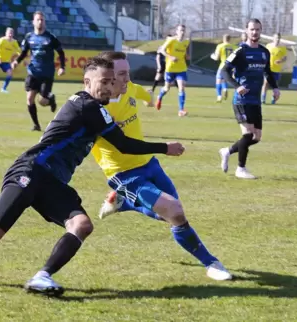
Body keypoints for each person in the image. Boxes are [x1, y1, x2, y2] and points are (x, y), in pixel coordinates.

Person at [0, 57, 186, 296]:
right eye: (103, 82)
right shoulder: (89, 107)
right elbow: (124, 144)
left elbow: (115, 139)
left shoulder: (97, 111)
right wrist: (165, 147)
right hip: (31, 170)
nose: (109, 87)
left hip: (53, 182)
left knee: (81, 225)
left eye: (111, 82)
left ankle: (42, 276)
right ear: (87, 82)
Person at [92, 51, 232, 281]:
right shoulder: (95, 110)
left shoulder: (131, 90)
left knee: (169, 213)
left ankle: (123, 203)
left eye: (128, 73)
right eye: (121, 74)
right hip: (123, 175)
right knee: (174, 211)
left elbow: (142, 94)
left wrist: (152, 100)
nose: (127, 78)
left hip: (149, 163)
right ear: (106, 77)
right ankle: (211, 263)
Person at [218, 19, 280, 179]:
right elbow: (224, 70)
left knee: (256, 137)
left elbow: (268, 72)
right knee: (248, 134)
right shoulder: (240, 51)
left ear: (261, 31)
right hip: (241, 100)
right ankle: (241, 169)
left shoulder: (264, 52)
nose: (255, 32)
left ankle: (228, 151)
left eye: (258, 29)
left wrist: (275, 87)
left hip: (255, 101)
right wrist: (237, 86)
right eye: (252, 29)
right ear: (247, 30)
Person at [12, 11, 66, 131]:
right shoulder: (29, 37)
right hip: (33, 72)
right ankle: (36, 125)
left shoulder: (50, 37)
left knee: (42, 101)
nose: (40, 22)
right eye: (38, 20)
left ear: (44, 22)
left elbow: (61, 52)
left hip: (47, 73)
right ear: (33, 22)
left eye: (42, 20)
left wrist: (62, 67)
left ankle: (51, 99)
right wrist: (17, 61)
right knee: (30, 98)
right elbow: (24, 52)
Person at [156, 24, 190, 117]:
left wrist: (186, 56)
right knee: (167, 88)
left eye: (183, 30)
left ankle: (181, 110)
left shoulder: (186, 42)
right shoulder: (171, 40)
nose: (182, 32)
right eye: (180, 30)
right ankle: (159, 97)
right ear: (177, 31)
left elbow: (184, 50)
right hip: (170, 68)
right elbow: (161, 50)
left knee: (181, 87)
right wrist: (170, 57)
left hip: (181, 68)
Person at [262, 33, 287, 105]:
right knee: (265, 83)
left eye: (278, 38)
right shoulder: (268, 46)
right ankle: (263, 99)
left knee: (274, 85)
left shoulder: (282, 47)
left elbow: (285, 58)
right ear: (273, 38)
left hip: (277, 69)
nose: (277, 39)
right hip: (268, 68)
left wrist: (281, 60)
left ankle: (274, 99)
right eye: (276, 38)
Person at [211, 34, 236, 103]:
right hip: (231, 67)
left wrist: (212, 56)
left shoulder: (220, 46)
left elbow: (216, 58)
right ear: (230, 39)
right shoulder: (234, 47)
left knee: (218, 80)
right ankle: (225, 89)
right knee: (223, 80)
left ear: (223, 39)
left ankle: (219, 96)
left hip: (223, 66)